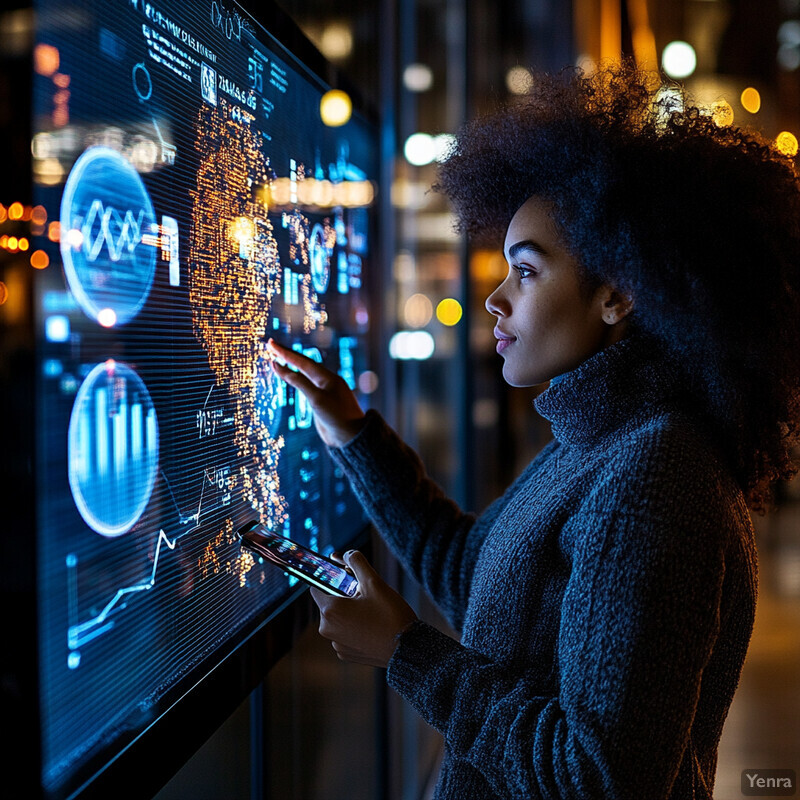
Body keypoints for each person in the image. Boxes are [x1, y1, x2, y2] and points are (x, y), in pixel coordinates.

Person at [267, 62, 800, 799]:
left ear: (618, 294)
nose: (494, 298)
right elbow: (480, 581)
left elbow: (599, 779)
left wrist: (404, 651)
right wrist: (355, 437)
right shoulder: (601, 439)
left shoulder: (654, 478)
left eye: (525, 270)